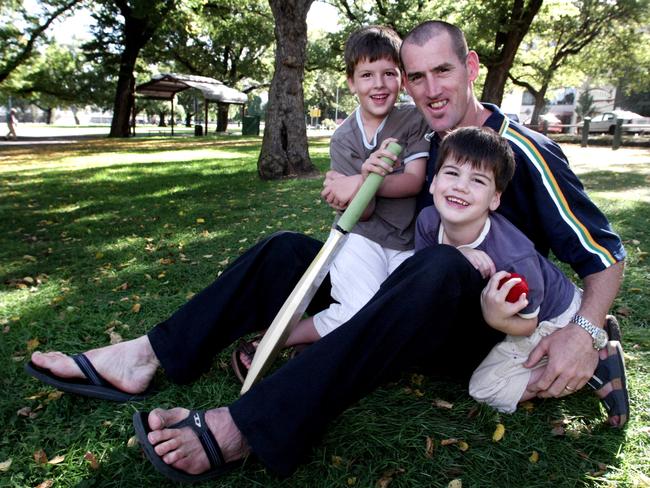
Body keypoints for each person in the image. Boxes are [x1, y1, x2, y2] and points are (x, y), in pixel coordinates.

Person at [25, 20, 625, 482]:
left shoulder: (521, 149)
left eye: (443, 72)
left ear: (470, 66)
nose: (430, 89)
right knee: (288, 252)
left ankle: (248, 424)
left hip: (488, 323)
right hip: (404, 299)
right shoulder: (422, 139)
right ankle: (147, 355)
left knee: (437, 266)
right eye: (416, 77)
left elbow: (605, 253)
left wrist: (587, 332)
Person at [231, 25, 429, 381]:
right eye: (367, 75)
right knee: (359, 310)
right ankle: (280, 338)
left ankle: (323, 344)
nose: (379, 84)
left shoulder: (411, 119)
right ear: (351, 82)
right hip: (361, 236)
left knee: (395, 315)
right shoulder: (343, 139)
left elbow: (413, 181)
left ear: (401, 78)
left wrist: (362, 182)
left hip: (407, 242)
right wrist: (356, 191)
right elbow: (362, 211)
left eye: (389, 73)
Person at [415, 126, 628, 424]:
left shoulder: (514, 258)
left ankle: (594, 366)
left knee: (485, 386)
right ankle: (598, 332)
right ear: (434, 182)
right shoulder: (427, 221)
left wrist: (494, 319)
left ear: (494, 199)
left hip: (545, 317)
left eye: (477, 180)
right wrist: (457, 254)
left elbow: (527, 324)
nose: (460, 187)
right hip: (519, 313)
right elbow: (423, 267)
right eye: (451, 174)